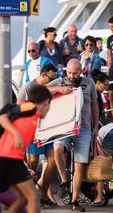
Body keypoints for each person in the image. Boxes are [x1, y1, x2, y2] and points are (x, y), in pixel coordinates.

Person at [0, 85, 53, 213]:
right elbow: (2, 117)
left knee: (22, 199)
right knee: (33, 197)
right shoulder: (30, 108)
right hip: (9, 159)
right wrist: (16, 133)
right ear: (46, 102)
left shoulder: (33, 116)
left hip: (5, 159)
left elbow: (4, 141)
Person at [49, 59, 99, 212]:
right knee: (57, 148)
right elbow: (39, 89)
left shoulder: (89, 83)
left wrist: (96, 125)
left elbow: (94, 105)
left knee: (80, 163)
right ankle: (64, 182)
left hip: (83, 127)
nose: (71, 76)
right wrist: (58, 88)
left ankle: (74, 199)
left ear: (81, 71)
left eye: (75, 73)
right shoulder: (60, 81)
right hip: (64, 125)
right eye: (69, 72)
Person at [17, 63, 70, 207]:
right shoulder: (28, 87)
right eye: (50, 78)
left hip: (49, 129)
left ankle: (42, 195)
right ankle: (25, 197)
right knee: (32, 164)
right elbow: (19, 108)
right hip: (32, 129)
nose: (52, 81)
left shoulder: (52, 87)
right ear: (43, 75)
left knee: (52, 163)